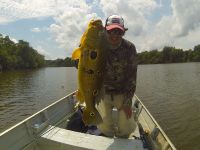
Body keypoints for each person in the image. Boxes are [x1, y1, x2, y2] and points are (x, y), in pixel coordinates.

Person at [96, 15, 138, 138]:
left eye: (118, 31)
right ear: (105, 30)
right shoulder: (97, 45)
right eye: (111, 31)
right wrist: (78, 61)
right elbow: (86, 62)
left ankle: (123, 138)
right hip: (102, 92)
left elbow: (132, 76)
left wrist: (128, 100)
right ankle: (107, 136)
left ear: (123, 32)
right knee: (103, 123)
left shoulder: (130, 48)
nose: (114, 35)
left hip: (122, 93)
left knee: (126, 125)